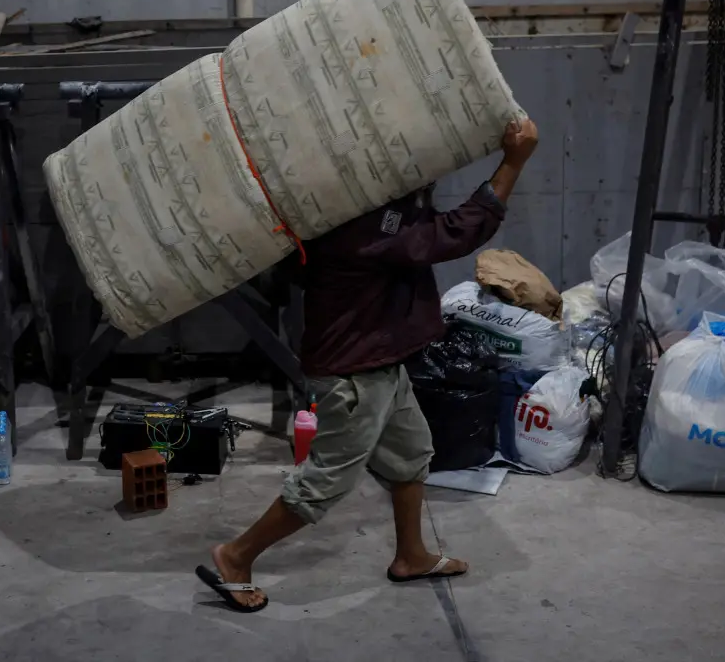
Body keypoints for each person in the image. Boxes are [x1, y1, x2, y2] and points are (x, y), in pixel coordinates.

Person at [195, 118, 540, 613]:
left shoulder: (335, 204)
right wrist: (513, 162)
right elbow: (454, 234)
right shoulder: (364, 226)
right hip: (353, 373)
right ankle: (236, 556)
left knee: (411, 452)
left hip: (379, 360)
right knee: (328, 479)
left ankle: (411, 556)